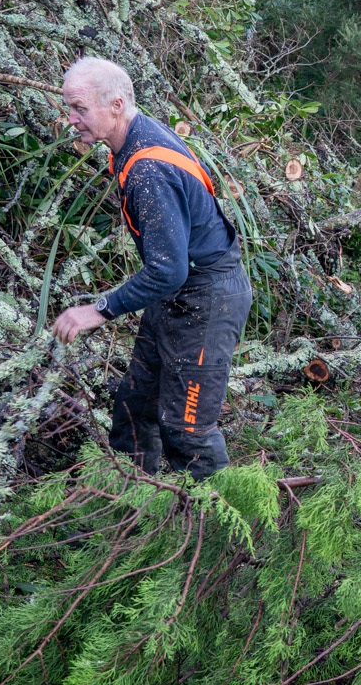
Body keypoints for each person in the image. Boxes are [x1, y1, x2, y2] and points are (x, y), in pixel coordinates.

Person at [50, 57, 252, 478]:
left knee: (187, 429)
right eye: (69, 107)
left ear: (117, 105)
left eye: (80, 109)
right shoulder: (136, 138)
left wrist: (97, 310)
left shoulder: (147, 168)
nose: (71, 120)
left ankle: (221, 529)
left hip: (206, 298)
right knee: (135, 404)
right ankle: (130, 503)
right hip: (179, 293)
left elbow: (167, 270)